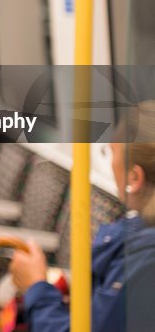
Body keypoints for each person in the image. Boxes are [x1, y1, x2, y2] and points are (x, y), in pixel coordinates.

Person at [10, 103, 155, 331]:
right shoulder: (135, 236)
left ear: (134, 178)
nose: (111, 162)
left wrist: (35, 287)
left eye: (112, 152)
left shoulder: (141, 258)